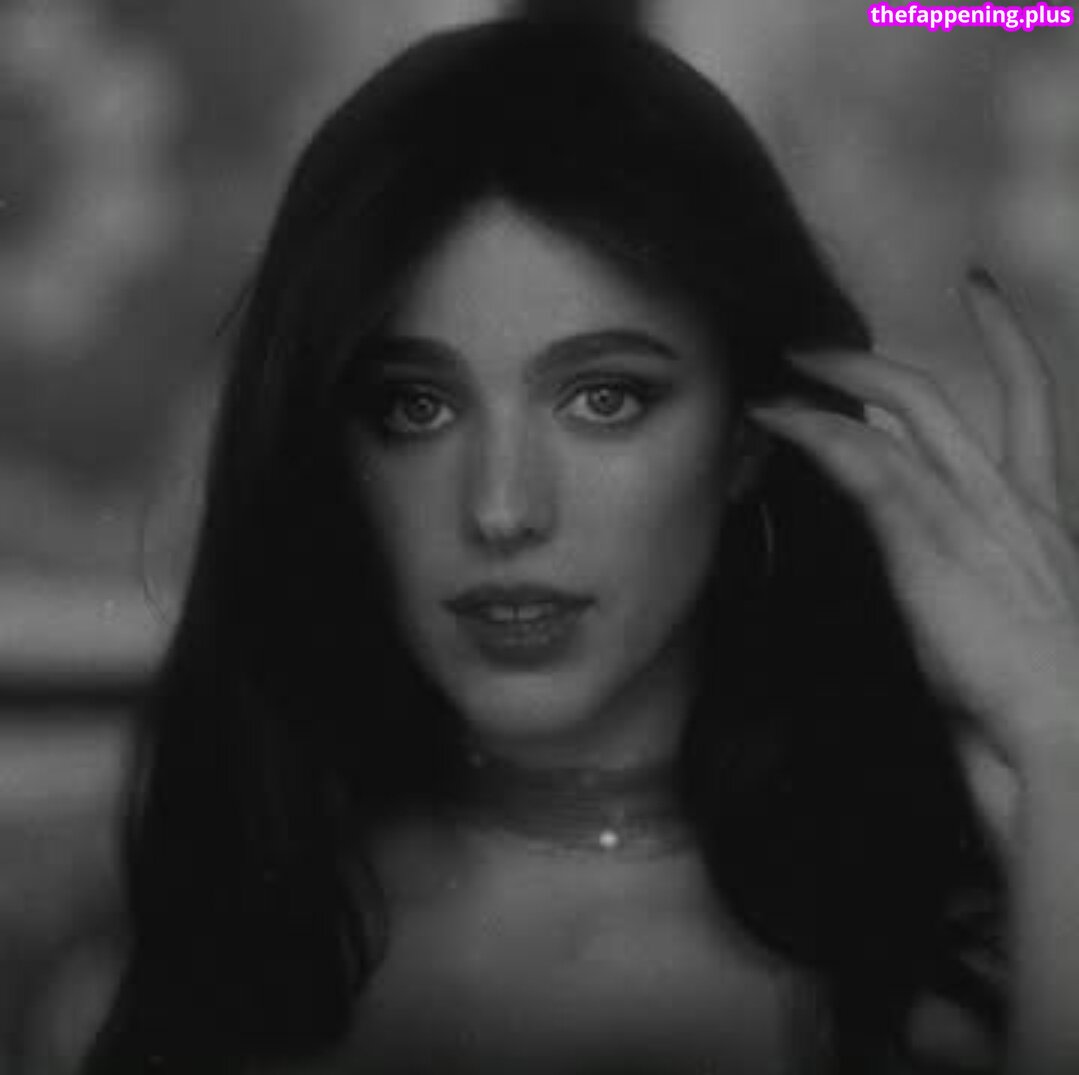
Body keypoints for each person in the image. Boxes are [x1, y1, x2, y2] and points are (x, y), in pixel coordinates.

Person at [79, 13, 1079, 1075]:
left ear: (747, 436)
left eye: (605, 398)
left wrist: (1061, 735)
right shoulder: (213, 968)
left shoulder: (960, 978)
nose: (501, 508)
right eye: (415, 407)